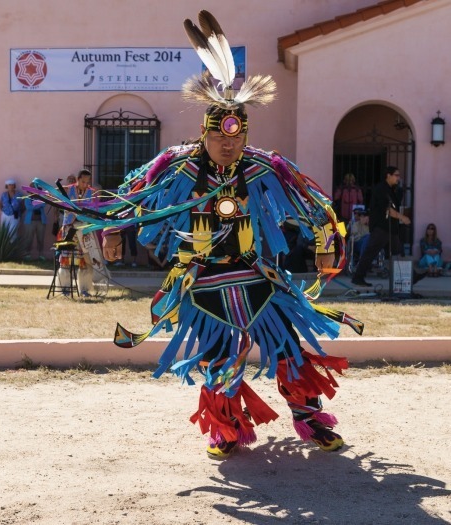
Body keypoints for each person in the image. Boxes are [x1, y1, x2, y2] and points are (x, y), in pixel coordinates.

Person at [28, 11, 363, 460]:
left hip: (257, 276)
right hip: (203, 278)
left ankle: (310, 419)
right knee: (220, 360)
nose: (230, 145)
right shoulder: (178, 165)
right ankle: (225, 428)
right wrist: (111, 231)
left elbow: (313, 204)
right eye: (220, 137)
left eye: (238, 137)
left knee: (288, 350)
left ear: (245, 134)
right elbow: (131, 195)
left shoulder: (263, 166)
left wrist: (328, 242)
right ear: (204, 132)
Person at [351, 166, 423, 287]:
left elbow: (395, 204)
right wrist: (403, 218)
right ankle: (358, 277)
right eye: (396, 175)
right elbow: (388, 209)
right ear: (388, 175)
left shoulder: (392, 190)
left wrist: (398, 192)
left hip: (390, 228)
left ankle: (412, 276)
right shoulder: (381, 189)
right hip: (381, 227)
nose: (398, 178)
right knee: (370, 252)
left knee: (399, 253)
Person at [56, 169, 96, 297]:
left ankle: (84, 289)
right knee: (66, 259)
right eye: (83, 181)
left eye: (87, 182)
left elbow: (93, 209)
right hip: (69, 229)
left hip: (84, 230)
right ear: (78, 179)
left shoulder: (91, 192)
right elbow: (58, 199)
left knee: (84, 261)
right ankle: (65, 288)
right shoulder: (68, 190)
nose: (85, 184)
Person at [23, 182, 47, 261]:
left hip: (41, 221)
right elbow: (28, 207)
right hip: (30, 222)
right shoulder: (27, 198)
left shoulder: (41, 197)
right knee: (28, 238)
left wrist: (34, 204)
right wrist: (38, 205)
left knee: (41, 239)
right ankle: (27, 254)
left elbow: (44, 204)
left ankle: (41, 254)